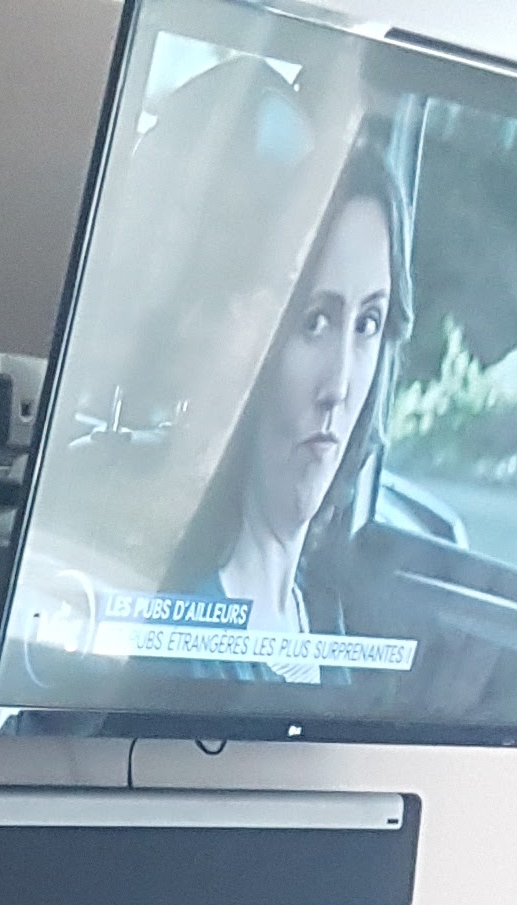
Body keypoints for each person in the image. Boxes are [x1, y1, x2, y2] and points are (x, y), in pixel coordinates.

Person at [164, 144, 413, 674]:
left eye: (368, 324)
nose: (339, 385)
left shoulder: (321, 621)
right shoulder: (179, 644)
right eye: (313, 321)